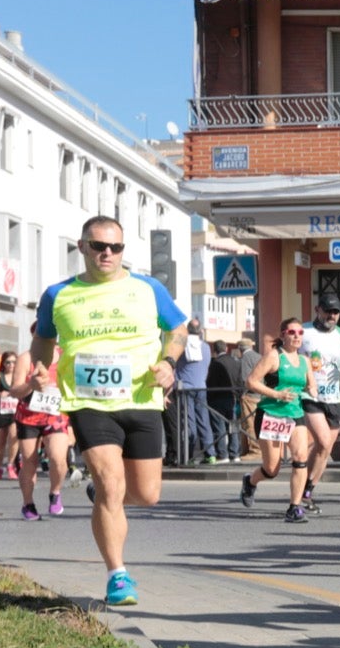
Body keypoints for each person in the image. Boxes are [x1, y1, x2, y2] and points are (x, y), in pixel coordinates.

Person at [33, 216, 188, 605]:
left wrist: (169, 362)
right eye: (99, 246)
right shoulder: (58, 294)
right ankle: (118, 575)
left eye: (115, 247)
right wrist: (39, 368)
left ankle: (101, 494)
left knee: (146, 494)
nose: (107, 253)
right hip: (89, 402)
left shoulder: (148, 288)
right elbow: (43, 338)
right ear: (82, 246)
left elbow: (179, 330)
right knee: (112, 485)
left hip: (142, 398)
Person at [240, 319, 315, 522]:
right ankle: (251, 481)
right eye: (292, 332)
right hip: (271, 414)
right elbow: (251, 381)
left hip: (295, 414)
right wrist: (277, 394)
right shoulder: (274, 356)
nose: (297, 336)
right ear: (283, 335)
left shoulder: (305, 360)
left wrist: (313, 391)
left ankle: (294, 507)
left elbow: (311, 385)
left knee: (300, 457)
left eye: (300, 332)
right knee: (272, 469)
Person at [11, 328, 71, 521]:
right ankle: (27, 503)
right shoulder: (25, 358)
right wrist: (31, 384)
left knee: (58, 457)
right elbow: (15, 390)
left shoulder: (64, 356)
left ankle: (55, 492)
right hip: (28, 416)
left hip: (55, 414)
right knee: (29, 462)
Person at [299, 302, 340, 510]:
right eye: (328, 311)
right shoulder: (303, 331)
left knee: (326, 448)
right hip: (309, 395)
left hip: (334, 399)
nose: (332, 315)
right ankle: (302, 487)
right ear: (317, 310)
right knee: (322, 440)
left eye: (336, 312)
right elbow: (287, 353)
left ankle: (307, 490)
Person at [174, 320, 217, 465]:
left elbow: (173, 363)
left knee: (188, 423)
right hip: (201, 387)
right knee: (204, 422)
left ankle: (189, 455)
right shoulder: (205, 347)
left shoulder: (182, 345)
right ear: (200, 331)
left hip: (185, 389)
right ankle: (210, 454)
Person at [207, 338, 243, 462]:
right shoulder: (236, 362)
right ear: (226, 348)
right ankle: (235, 453)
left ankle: (223, 454)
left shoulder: (214, 364)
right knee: (233, 426)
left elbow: (210, 383)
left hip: (216, 398)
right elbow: (240, 381)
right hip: (232, 398)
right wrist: (238, 396)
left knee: (219, 427)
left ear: (214, 350)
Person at [0, 351, 20, 477]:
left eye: (14, 362)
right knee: (1, 441)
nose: (11, 365)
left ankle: (10, 465)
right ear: (3, 363)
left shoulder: (20, 376)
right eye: (8, 362)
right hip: (2, 410)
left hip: (15, 411)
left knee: (14, 437)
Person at [235, 338, 263, 460]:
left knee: (249, 423)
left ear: (240, 349)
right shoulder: (259, 356)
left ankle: (255, 450)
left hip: (250, 396)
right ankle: (247, 449)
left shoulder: (245, 358)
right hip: (260, 395)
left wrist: (242, 393)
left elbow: (245, 379)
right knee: (256, 422)